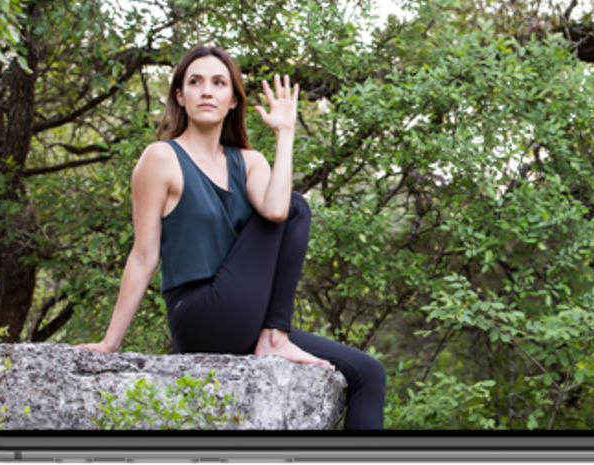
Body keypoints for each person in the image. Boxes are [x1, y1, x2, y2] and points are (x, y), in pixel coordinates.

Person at [76, 44, 386, 431]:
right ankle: (274, 336)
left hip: (248, 322)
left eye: (219, 83)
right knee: (294, 207)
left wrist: (285, 133)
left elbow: (275, 207)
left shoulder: (248, 161)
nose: (207, 91)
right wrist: (110, 343)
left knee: (368, 373)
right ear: (180, 96)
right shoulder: (160, 158)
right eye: (195, 82)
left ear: (234, 100)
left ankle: (275, 336)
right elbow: (143, 256)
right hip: (200, 313)